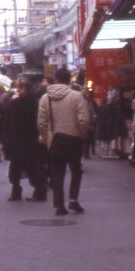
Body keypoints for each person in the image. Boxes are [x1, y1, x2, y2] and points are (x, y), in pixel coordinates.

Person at [37, 68, 92, 216]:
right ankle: (73, 199)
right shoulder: (77, 96)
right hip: (74, 138)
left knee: (57, 171)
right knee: (76, 169)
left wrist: (47, 137)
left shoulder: (45, 98)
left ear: (55, 79)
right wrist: (82, 135)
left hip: (55, 139)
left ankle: (59, 205)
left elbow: (41, 123)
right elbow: (84, 120)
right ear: (69, 80)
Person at [4, 78, 46, 201]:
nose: (18, 90)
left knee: (32, 167)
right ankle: (16, 190)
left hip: (29, 139)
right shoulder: (24, 100)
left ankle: (39, 191)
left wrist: (13, 102)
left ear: (26, 88)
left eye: (21, 87)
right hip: (18, 140)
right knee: (16, 167)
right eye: (18, 87)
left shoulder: (32, 102)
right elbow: (8, 118)